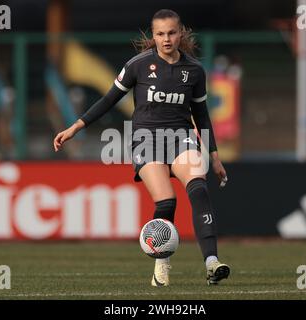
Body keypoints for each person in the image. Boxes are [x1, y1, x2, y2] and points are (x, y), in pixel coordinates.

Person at [53, 9, 230, 286]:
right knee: (167, 201)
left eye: (171, 32)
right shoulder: (138, 65)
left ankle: (211, 263)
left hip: (182, 137)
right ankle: (162, 261)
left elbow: (202, 115)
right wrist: (76, 127)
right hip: (146, 140)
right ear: (153, 36)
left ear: (180, 33)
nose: (166, 38)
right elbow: (109, 100)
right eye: (160, 34)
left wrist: (214, 158)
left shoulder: (194, 70)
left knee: (198, 188)